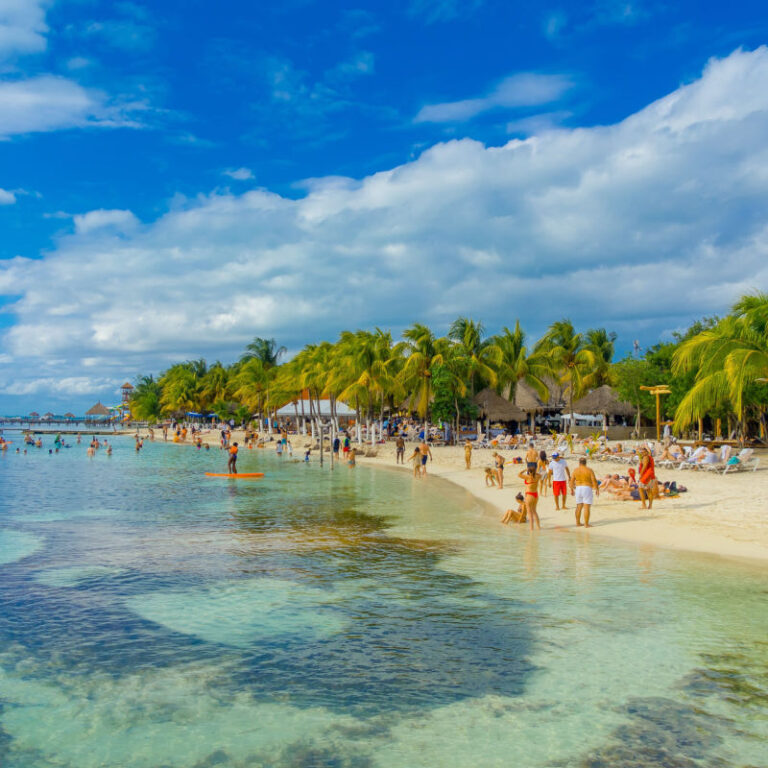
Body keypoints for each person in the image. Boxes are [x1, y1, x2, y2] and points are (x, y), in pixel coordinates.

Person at [570, 457, 599, 527]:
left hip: (578, 488)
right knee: (586, 507)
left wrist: (572, 489)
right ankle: (586, 524)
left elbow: (571, 481)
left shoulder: (575, 470)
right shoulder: (589, 470)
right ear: (585, 463)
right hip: (587, 487)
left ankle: (577, 523)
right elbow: (594, 480)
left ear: (579, 463)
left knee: (579, 506)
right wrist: (597, 489)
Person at [518, 465, 541, 530]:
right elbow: (541, 475)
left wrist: (525, 469)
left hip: (529, 495)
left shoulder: (527, 477)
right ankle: (539, 527)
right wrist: (534, 472)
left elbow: (519, 474)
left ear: (529, 472)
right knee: (534, 511)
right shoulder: (537, 477)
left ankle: (531, 529)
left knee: (530, 513)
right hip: (535, 495)